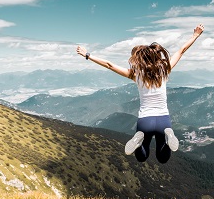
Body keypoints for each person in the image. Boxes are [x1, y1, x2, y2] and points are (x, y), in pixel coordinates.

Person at [76, 23, 204, 163]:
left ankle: (139, 138)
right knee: (162, 158)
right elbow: (181, 50)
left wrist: (88, 55)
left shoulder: (136, 74)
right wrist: (195, 35)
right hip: (163, 120)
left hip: (145, 121)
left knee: (141, 156)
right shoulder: (164, 69)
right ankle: (168, 139)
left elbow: (109, 64)